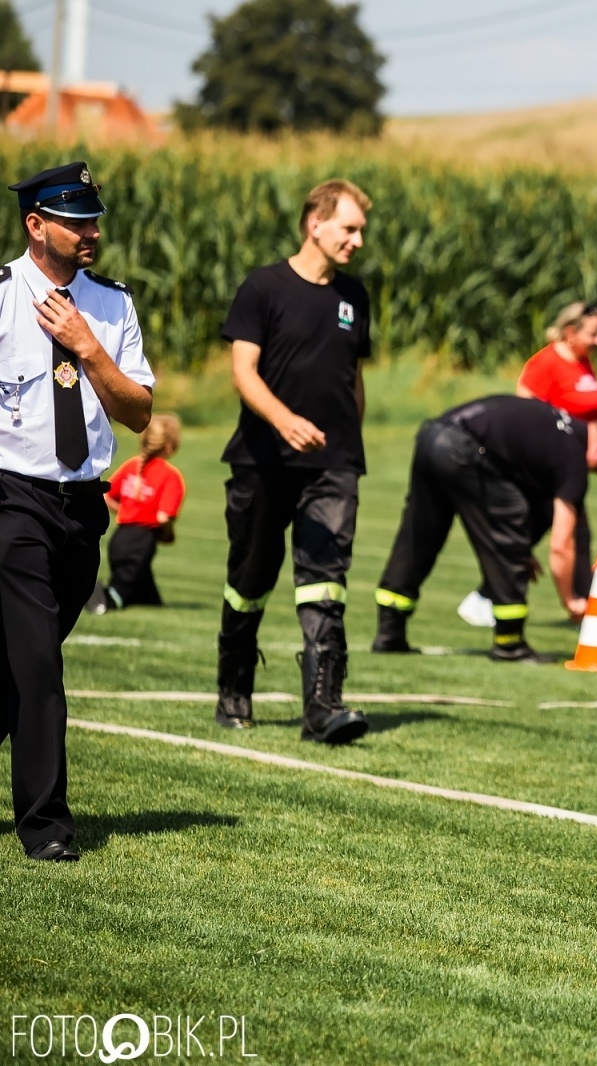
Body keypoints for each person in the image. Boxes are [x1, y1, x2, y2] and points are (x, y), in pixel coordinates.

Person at [0, 161, 154, 861]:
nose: (91, 232)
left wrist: (90, 349)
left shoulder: (113, 306)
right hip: (12, 499)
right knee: (39, 671)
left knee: (17, 670)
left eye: (94, 220)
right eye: (76, 221)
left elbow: (139, 411)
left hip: (82, 505)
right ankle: (47, 829)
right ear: (36, 226)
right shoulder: (2, 296)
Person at [213, 179, 373, 744]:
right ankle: (234, 687)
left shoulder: (356, 296)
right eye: (349, 228)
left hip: (334, 466)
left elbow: (354, 380)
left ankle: (323, 708)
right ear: (316, 223)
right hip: (263, 460)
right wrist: (284, 422)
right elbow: (243, 372)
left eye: (360, 230)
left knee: (326, 580)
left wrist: (349, 444)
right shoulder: (263, 287)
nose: (357, 240)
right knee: (250, 579)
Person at [371, 397, 597, 659]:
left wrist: (521, 547)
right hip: (463, 449)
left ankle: (389, 632)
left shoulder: (556, 426)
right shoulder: (573, 454)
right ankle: (509, 643)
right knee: (512, 516)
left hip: (432, 435)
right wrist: (571, 600)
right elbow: (561, 544)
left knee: (420, 533)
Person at [456, 302, 597, 628]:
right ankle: (577, 606)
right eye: (593, 334)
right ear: (571, 333)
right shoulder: (545, 364)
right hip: (548, 467)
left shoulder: (583, 363)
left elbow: (593, 414)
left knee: (564, 533)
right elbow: (523, 420)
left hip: (573, 464)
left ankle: (494, 596)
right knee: (557, 533)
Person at [90, 413, 185, 612]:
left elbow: (106, 496)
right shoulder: (171, 475)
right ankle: (93, 593)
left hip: (119, 538)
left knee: (146, 598)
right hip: (141, 542)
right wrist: (167, 532)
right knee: (118, 594)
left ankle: (148, 599)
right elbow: (163, 516)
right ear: (169, 446)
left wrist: (124, 509)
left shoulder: (132, 465)